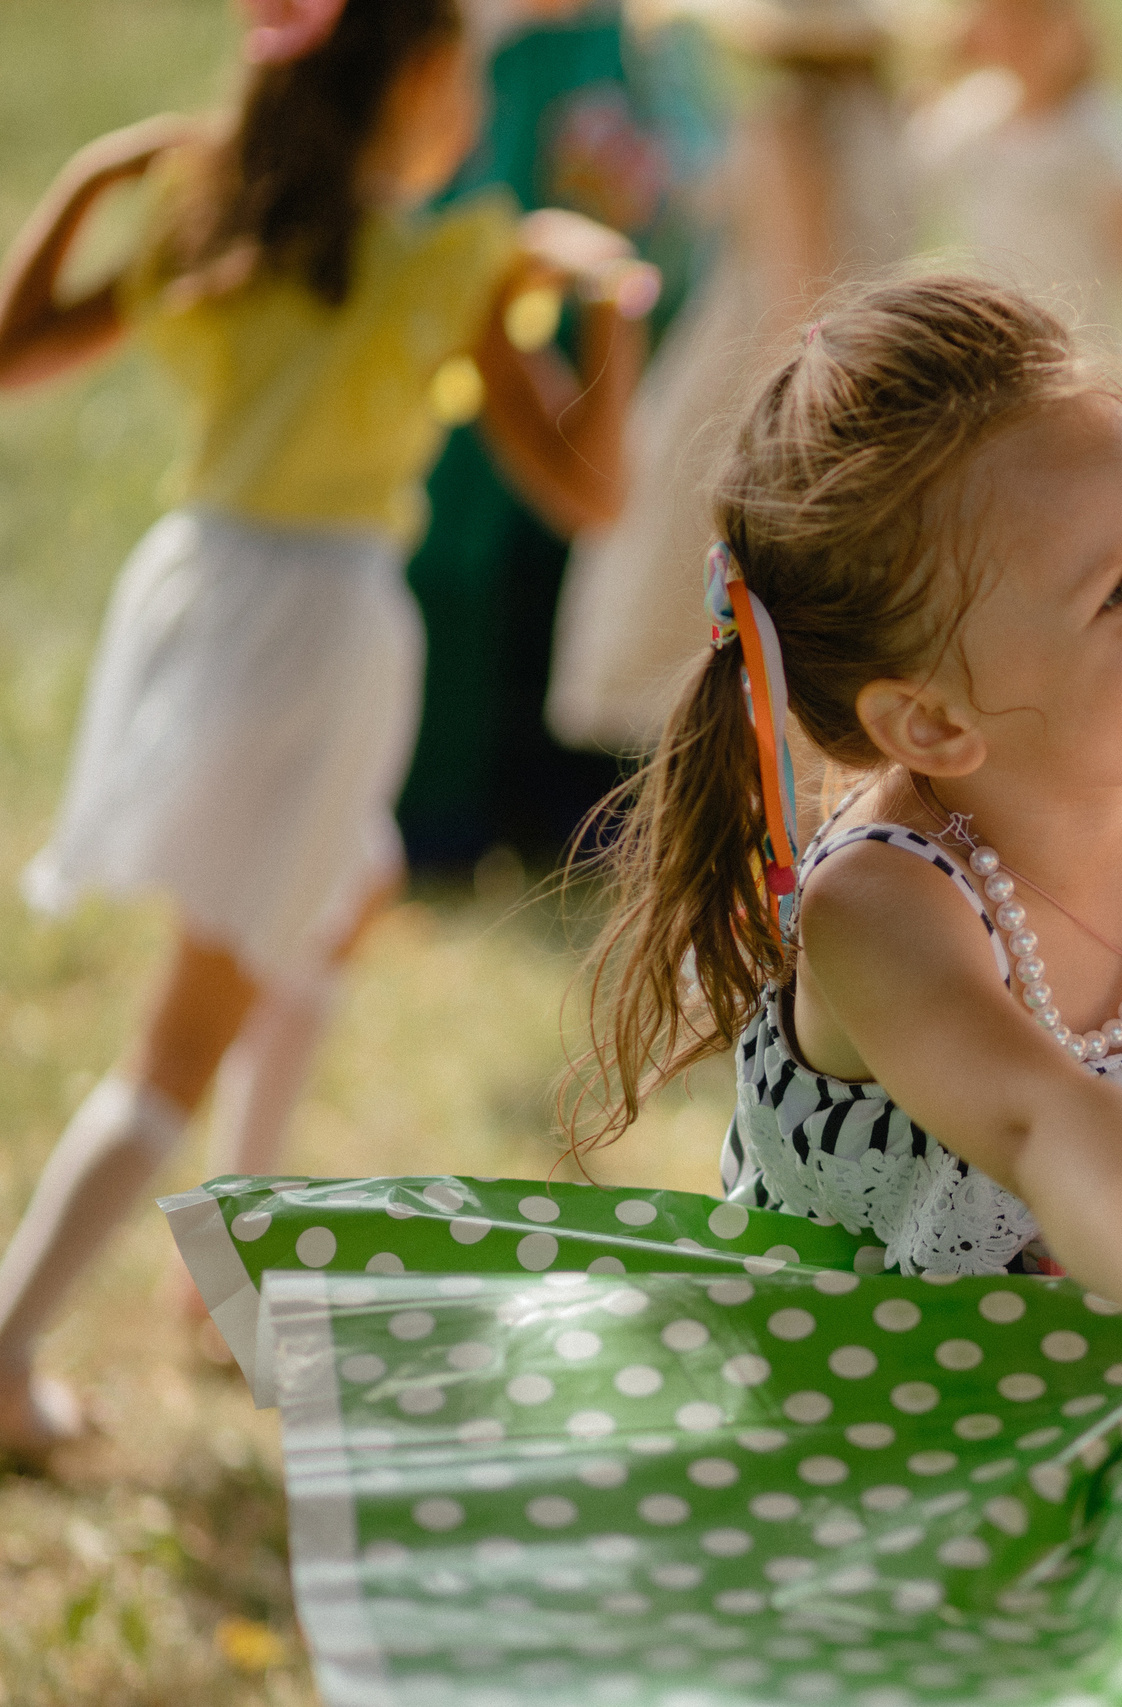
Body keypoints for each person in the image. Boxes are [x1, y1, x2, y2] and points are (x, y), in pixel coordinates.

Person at [158, 276, 1122, 1694]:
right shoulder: (886, 912)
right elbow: (1043, 1123)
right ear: (928, 718)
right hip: (861, 1455)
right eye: (1119, 590)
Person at [0, 0, 655, 1465]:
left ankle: (220, 1260)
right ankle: (8, 1344)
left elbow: (10, 351)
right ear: (422, 81)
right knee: (181, 1032)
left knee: (345, 889)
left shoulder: (220, 225)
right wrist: (614, 309)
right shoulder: (454, 262)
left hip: (200, 595)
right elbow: (593, 491)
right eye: (466, 74)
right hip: (315, 641)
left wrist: (96, 178)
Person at [396, 0, 723, 868]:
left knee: (593, 550)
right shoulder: (478, 44)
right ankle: (444, 801)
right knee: (468, 541)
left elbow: (689, 149)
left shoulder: (642, 35)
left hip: (612, 298)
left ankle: (569, 788)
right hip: (495, 281)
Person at [548, 0, 918, 755]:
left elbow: (797, 297)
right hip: (863, 364)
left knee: (725, 598)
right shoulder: (886, 120)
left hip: (766, 370)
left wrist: (782, 433)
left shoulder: (787, 124)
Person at [910, 0, 1122, 494]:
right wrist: (942, 61)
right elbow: (908, 173)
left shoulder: (1102, 137)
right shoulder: (971, 118)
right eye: (994, 15)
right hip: (1011, 371)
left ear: (1070, 27)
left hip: (1098, 371)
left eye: (1027, 20)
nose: (1007, 32)